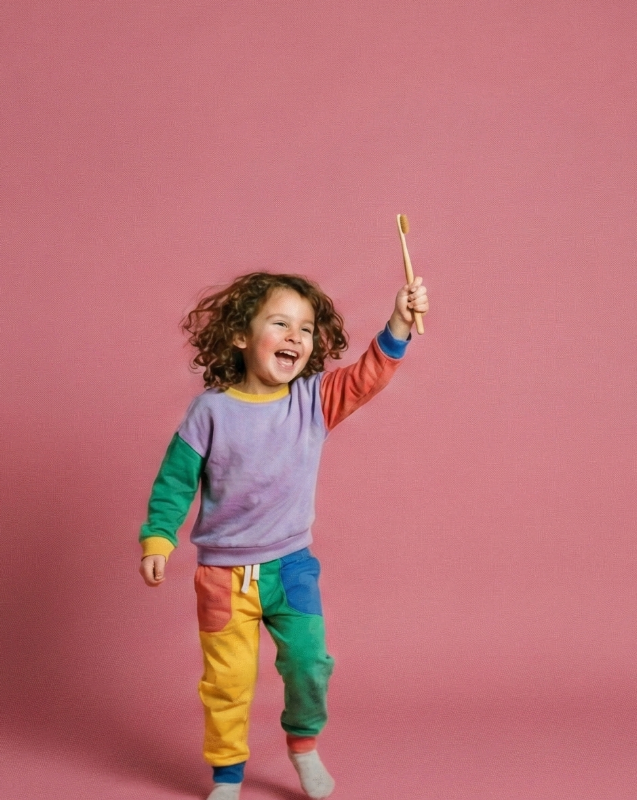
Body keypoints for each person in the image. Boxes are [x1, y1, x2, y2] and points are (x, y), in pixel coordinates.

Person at [137, 271, 429, 800]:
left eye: (307, 328)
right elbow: (174, 483)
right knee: (226, 684)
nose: (296, 336)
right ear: (241, 336)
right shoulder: (209, 411)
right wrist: (158, 538)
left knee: (310, 664)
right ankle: (227, 777)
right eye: (280, 323)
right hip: (224, 578)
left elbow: (367, 375)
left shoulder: (312, 401)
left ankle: (303, 746)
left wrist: (399, 323)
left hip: (291, 567)